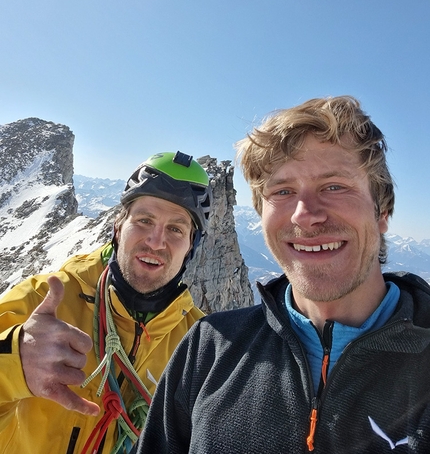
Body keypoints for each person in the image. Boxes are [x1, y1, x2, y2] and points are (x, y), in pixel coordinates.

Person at [135, 96, 430, 454]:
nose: (305, 215)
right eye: (283, 191)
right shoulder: (210, 348)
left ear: (382, 210)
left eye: (334, 186)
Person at [0, 150, 212, 454]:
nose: (155, 241)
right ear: (117, 227)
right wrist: (13, 363)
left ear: (191, 246)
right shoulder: (42, 301)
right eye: (144, 220)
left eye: (176, 229)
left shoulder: (201, 345)